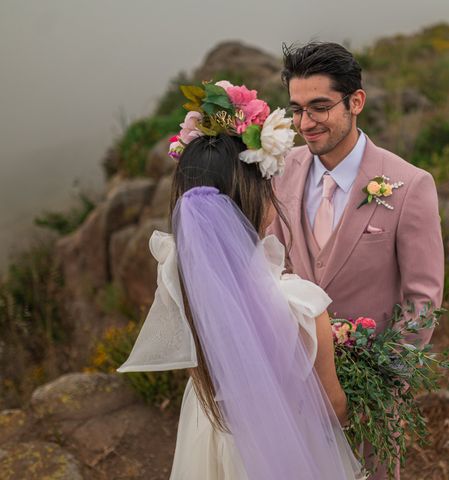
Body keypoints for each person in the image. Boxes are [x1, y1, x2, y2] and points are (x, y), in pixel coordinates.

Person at [117, 82, 366, 479]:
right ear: (258, 198)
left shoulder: (184, 283)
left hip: (211, 436)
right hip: (282, 451)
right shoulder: (301, 306)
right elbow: (334, 408)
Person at [268, 42, 445, 479]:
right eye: (297, 109)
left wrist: (380, 383)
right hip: (291, 385)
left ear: (356, 102)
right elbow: (270, 265)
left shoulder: (410, 185)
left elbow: (423, 300)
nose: (305, 123)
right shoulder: (281, 169)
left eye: (320, 107)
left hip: (371, 393)